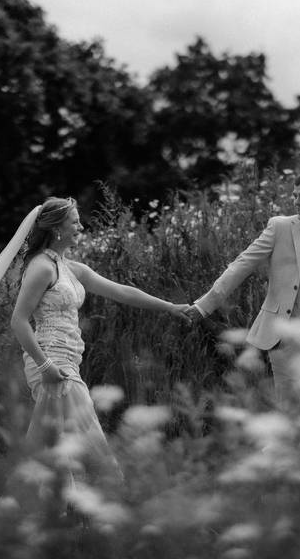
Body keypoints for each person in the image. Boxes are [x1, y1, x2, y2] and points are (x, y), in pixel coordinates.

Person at [11, 197, 190, 480]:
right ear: (57, 227)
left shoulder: (72, 268)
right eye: (75, 221)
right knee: (85, 437)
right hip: (51, 362)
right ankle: (96, 498)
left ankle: (62, 512)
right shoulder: (42, 267)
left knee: (62, 445)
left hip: (69, 361)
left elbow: (122, 292)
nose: (80, 226)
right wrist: (45, 367)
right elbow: (18, 321)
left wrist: (169, 307)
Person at [183, 170, 300, 415]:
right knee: (292, 413)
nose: (296, 201)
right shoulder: (279, 227)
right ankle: (286, 447)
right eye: (295, 195)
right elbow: (241, 266)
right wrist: (203, 306)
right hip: (282, 337)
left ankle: (276, 449)